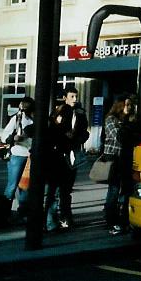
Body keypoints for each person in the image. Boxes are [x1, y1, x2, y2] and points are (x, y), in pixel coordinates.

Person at [44, 87, 89, 230]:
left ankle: (65, 217)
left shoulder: (80, 114)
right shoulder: (59, 112)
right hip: (57, 155)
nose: (75, 99)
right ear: (65, 97)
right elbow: (53, 131)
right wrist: (65, 135)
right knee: (54, 190)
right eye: (72, 96)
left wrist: (79, 138)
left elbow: (84, 132)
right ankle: (51, 219)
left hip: (70, 154)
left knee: (65, 190)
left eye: (76, 96)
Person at [0, 96, 34, 220]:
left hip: (30, 154)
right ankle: (5, 210)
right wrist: (12, 138)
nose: (24, 109)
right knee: (13, 184)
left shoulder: (34, 119)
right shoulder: (17, 118)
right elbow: (5, 135)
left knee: (25, 186)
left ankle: (22, 211)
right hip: (18, 153)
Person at [103, 96, 133, 234]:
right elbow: (119, 137)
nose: (129, 107)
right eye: (127, 104)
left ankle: (124, 219)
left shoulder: (130, 120)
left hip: (126, 158)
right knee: (114, 189)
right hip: (114, 158)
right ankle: (110, 219)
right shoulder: (111, 120)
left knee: (126, 190)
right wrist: (126, 121)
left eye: (131, 105)